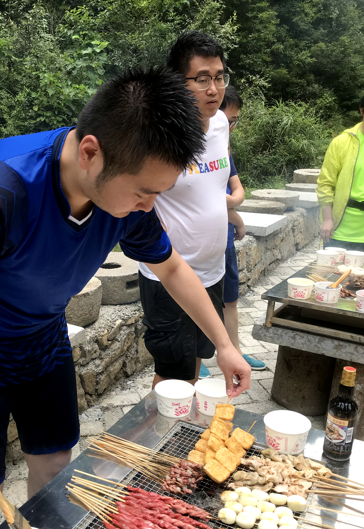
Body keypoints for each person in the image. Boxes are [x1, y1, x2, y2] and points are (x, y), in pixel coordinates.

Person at [0, 67, 251, 529]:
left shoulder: (128, 196)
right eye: (144, 192)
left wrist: (225, 345)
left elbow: (172, 267)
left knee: (53, 469)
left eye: (160, 192)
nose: (149, 207)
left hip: (44, 342)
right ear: (91, 152)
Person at [138, 32, 251, 388]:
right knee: (173, 375)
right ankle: (161, 425)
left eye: (219, 77)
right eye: (202, 79)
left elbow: (213, 185)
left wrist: (232, 214)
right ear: (177, 81)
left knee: (198, 359)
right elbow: (137, 200)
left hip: (213, 270)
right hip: (170, 275)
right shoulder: (157, 136)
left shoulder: (220, 125)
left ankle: (186, 419)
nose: (214, 89)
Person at [220, 87, 266, 371]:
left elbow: (237, 191)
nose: (232, 128)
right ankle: (195, 357)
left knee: (230, 299)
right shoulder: (191, 149)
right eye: (228, 121)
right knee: (197, 298)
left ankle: (235, 351)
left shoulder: (225, 151)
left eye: (235, 121)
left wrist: (231, 207)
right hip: (197, 243)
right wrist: (235, 217)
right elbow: (199, 198)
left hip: (224, 241)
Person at [318, 86, 364, 255]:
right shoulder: (342, 142)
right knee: (336, 273)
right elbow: (325, 184)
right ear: (361, 110)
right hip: (342, 230)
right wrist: (327, 219)